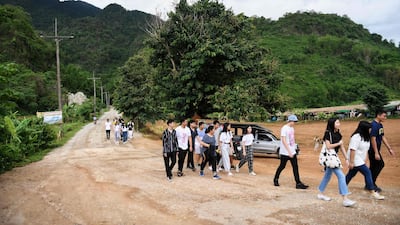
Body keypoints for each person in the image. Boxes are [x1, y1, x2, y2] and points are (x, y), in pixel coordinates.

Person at [317, 118, 355, 207]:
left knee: (327, 176)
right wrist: (338, 143)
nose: (339, 123)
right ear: (332, 124)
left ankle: (320, 193)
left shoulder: (338, 133)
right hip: (330, 157)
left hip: (333, 157)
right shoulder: (328, 133)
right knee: (341, 176)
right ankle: (345, 198)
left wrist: (346, 158)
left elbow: (342, 147)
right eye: (337, 122)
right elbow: (328, 146)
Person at [346, 121, 385, 200]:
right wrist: (351, 162)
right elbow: (352, 150)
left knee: (351, 173)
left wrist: (365, 160)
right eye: (369, 129)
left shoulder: (366, 137)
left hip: (360, 159)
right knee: (367, 172)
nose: (371, 130)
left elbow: (366, 150)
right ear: (364, 129)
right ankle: (372, 191)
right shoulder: (356, 137)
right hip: (355, 158)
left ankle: (343, 186)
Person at [273, 115, 309, 189]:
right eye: (294, 121)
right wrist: (289, 151)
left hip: (292, 151)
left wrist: (293, 149)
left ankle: (298, 183)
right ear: (290, 121)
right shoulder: (284, 128)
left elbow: (292, 140)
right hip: (285, 152)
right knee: (282, 166)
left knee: (295, 167)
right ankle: (276, 179)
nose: (294, 123)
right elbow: (283, 140)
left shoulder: (292, 128)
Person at [368, 110, 395, 192]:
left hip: (375, 150)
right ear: (378, 115)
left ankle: (369, 184)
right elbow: (373, 139)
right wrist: (376, 152)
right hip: (372, 150)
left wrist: (389, 148)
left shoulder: (380, 125)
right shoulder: (373, 125)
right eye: (384, 116)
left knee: (373, 167)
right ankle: (372, 183)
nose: (385, 118)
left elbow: (382, 137)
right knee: (380, 164)